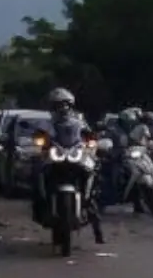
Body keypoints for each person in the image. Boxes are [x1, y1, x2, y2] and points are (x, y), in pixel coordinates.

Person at [33, 87, 104, 244]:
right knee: (37, 172)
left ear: (71, 105)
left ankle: (94, 220)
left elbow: (90, 136)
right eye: (58, 105)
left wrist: (92, 142)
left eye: (65, 104)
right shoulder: (46, 124)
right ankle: (41, 207)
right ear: (52, 107)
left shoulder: (79, 122)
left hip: (75, 154)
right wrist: (40, 143)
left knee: (93, 173)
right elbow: (38, 138)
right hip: (55, 155)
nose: (62, 108)